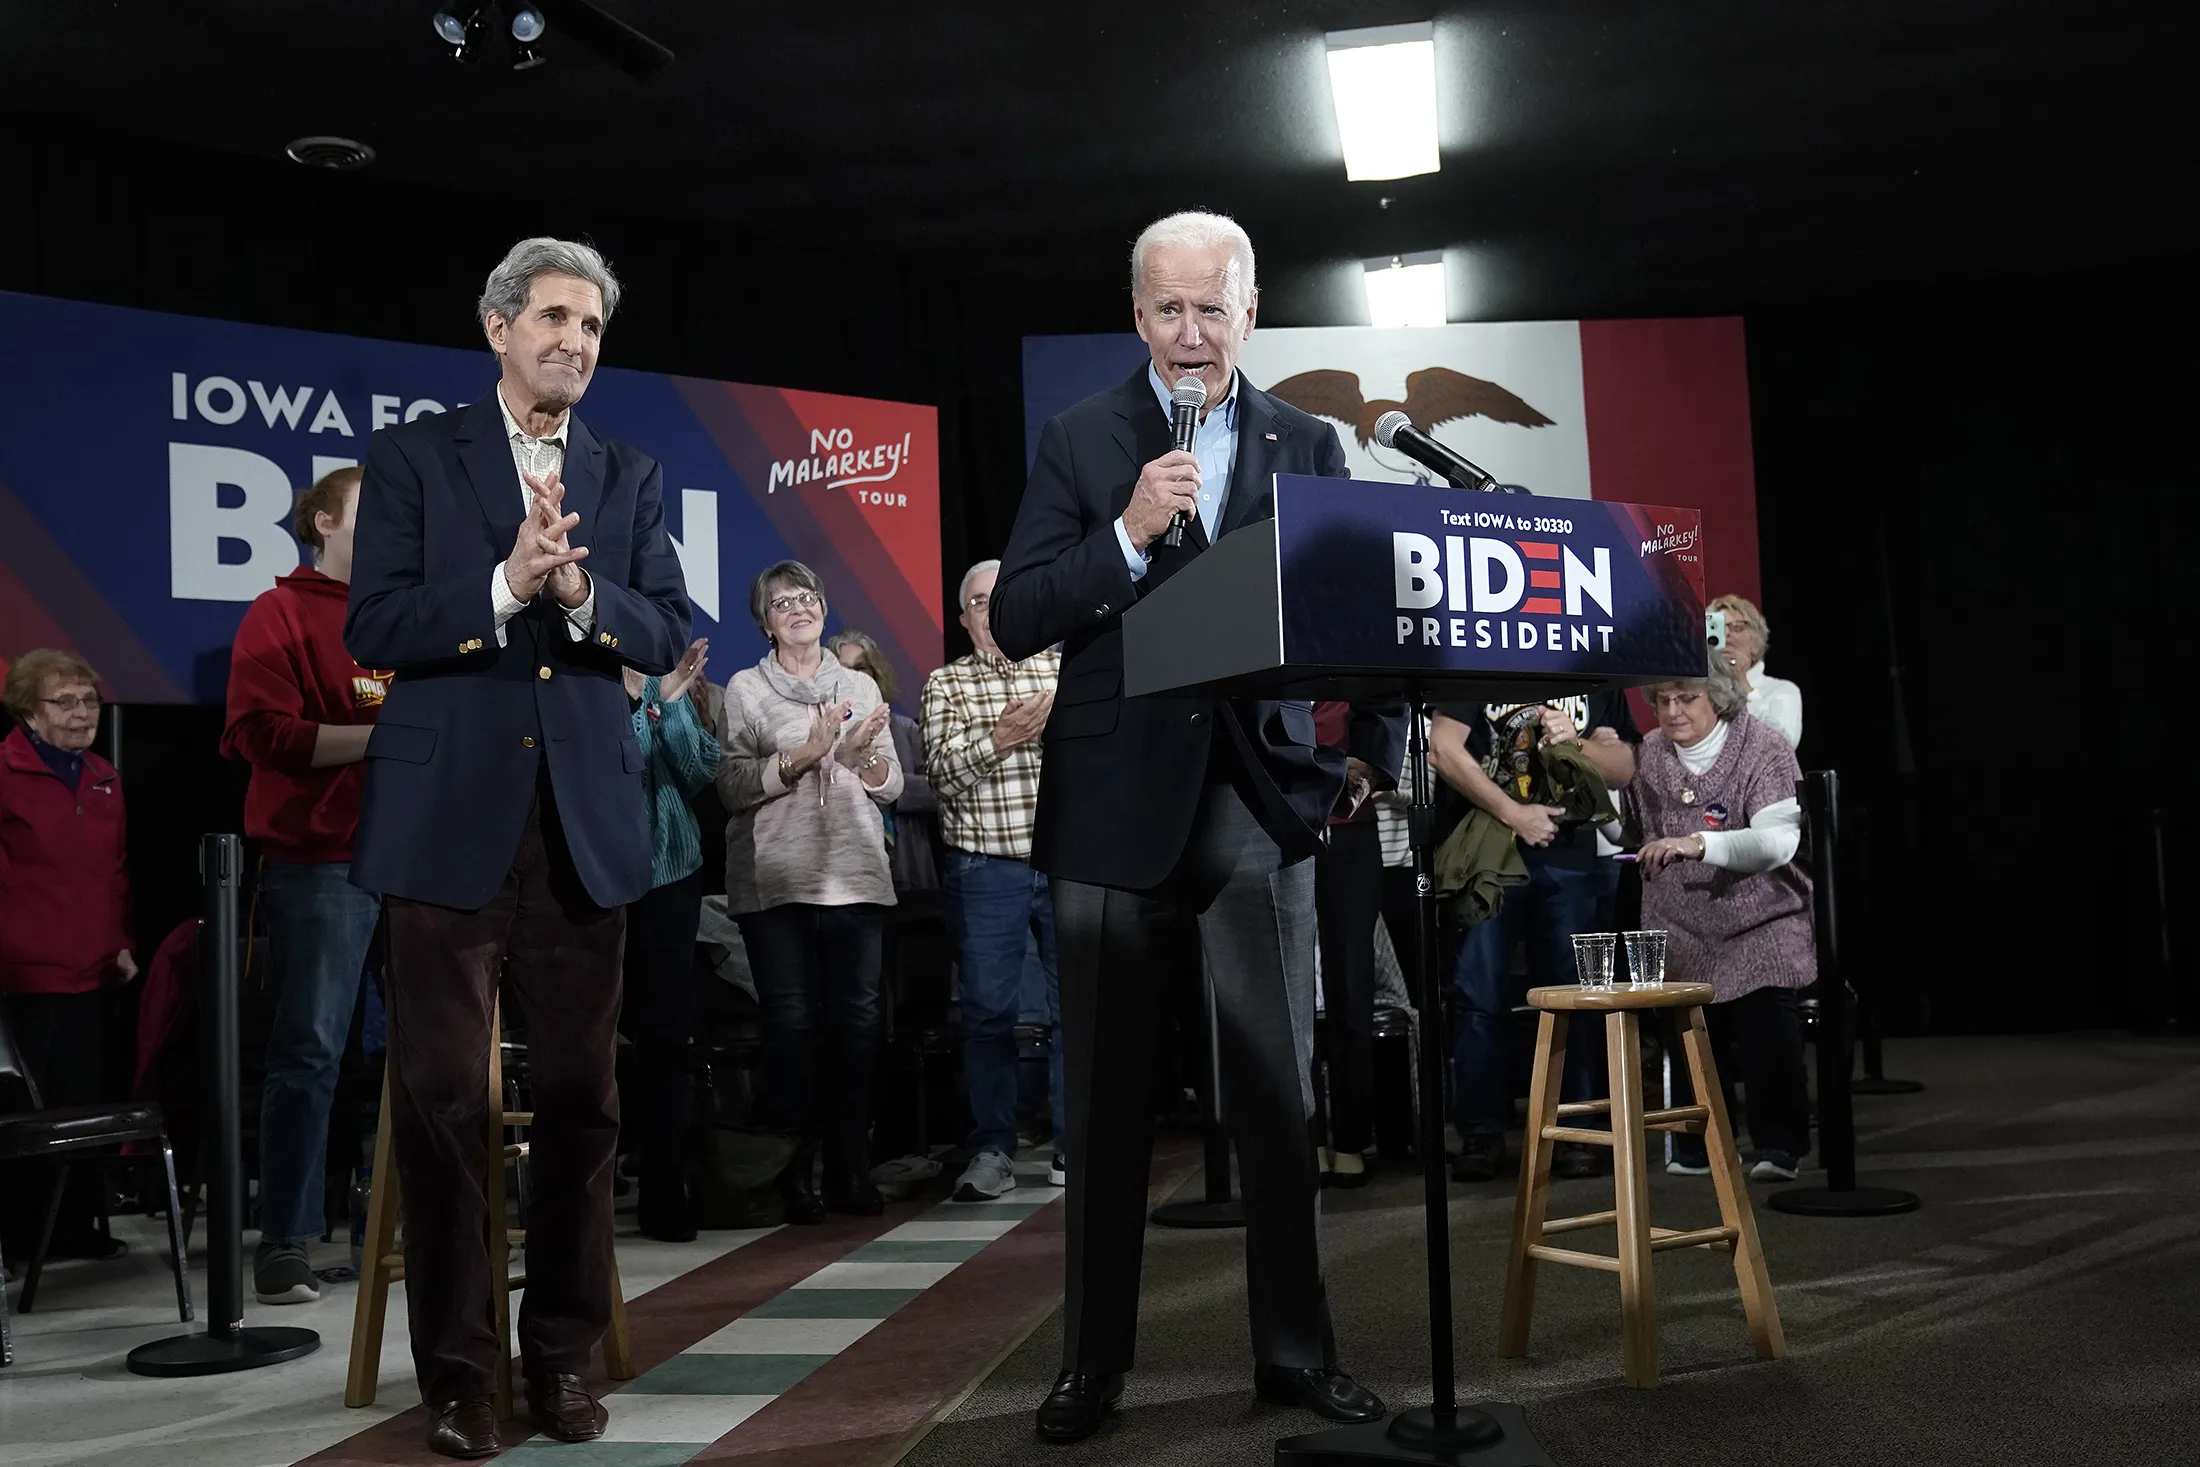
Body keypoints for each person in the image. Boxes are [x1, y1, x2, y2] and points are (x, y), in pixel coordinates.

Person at [991, 209, 1402, 1444]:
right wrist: (1121, 533)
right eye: (1165, 309)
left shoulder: (1307, 443)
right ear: (1136, 316)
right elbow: (1015, 616)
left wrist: (1360, 760)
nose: (1188, 334)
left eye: (1209, 308)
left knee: (1279, 1100)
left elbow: (1362, 612)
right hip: (1111, 808)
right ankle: (1090, 1367)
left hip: (1258, 804)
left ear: (1250, 311)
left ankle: (1296, 1353)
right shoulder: (1081, 440)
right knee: (1104, 1105)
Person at [344, 237, 690, 1459]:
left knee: (588, 1106)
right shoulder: (408, 458)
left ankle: (561, 1360)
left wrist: (587, 599)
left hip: (581, 832)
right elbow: (376, 622)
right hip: (444, 832)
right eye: (551, 318)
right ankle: (457, 1379)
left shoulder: (628, 471)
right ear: (496, 327)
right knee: (443, 1104)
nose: (573, 343)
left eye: (590, 326)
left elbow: (665, 624)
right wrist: (505, 581)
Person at [220, 465, 388, 1306]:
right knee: (312, 1051)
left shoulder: (405, 615)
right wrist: (381, 738)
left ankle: (387, 1230)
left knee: (420, 1057)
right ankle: (284, 1239)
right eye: (372, 509)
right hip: (321, 859)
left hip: (418, 862)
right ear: (323, 520)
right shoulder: (278, 612)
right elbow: (260, 732)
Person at [717, 562, 900, 1225]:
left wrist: (858, 758)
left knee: (856, 1026)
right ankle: (791, 1170)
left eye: (808, 597)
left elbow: (892, 784)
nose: (799, 607)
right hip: (777, 884)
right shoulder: (744, 688)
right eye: (782, 601)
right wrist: (801, 756)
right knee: (791, 1026)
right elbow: (732, 786)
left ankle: (851, 1165)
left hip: (854, 878)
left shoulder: (855, 681)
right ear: (765, 621)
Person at [1612, 653, 1814, 1181]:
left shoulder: (1762, 746)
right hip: (1678, 920)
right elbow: (1623, 833)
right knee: (1688, 1032)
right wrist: (1596, 780)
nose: (1672, 711)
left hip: (1761, 916)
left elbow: (1776, 842)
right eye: (1662, 701)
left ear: (1717, 697)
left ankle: (1779, 1145)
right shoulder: (1648, 754)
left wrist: (1697, 843)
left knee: (1766, 1018)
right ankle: (1702, 1146)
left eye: (1687, 698)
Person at [1428, 692, 1637, 1184]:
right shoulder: (1478, 654)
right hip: (1487, 851)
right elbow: (1443, 747)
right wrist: (1512, 812)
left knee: (1577, 995)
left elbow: (1625, 763)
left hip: (1569, 854)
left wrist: (1579, 743)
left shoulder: (1589, 661)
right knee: (1479, 994)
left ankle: (1578, 1128)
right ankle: (1481, 1133)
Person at [919, 558, 1063, 1202]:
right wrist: (1001, 738)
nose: (991, 609)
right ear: (963, 619)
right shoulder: (945, 684)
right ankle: (992, 1150)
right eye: (978, 602)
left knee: (1077, 1013)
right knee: (987, 1016)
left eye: (1001, 598)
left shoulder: (1064, 670)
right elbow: (943, 776)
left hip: (1067, 863)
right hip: (984, 866)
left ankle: (1076, 1143)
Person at [0, 649, 133, 1262]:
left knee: (84, 1103)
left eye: (90, 701)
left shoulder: (104, 776)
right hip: (25, 971)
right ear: (29, 711)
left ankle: (79, 1228)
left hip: (93, 969)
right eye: (65, 702)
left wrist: (122, 941)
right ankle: (27, 1239)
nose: (82, 715)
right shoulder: (5, 772)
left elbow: (115, 874)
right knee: (31, 1113)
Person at [618, 635, 720, 1242]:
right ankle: (595, 1177)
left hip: (671, 873)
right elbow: (605, 770)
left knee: (664, 1038)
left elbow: (700, 768)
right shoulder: (578, 674)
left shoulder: (662, 673)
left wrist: (665, 702)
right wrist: (638, 708)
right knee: (595, 1036)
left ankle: (663, 1184)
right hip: (596, 876)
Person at [1310, 701, 1385, 1188]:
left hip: (1352, 835)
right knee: (1288, 993)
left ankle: (1352, 1139)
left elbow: (1387, 740)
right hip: (1280, 827)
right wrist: (1332, 766)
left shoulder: (1354, 660)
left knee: (1351, 989)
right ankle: (1304, 1137)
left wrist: (1367, 769)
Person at [826, 628, 940, 895]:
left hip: (909, 868)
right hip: (847, 870)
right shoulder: (821, 733)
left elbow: (938, 788)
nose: (853, 677)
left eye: (861, 668)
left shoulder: (905, 729)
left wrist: (888, 785)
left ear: (875, 675)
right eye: (843, 669)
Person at [1709, 593, 1802, 750]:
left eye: (1737, 627)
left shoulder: (1781, 691)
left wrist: (1741, 684)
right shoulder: (1699, 693)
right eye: (1716, 628)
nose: (1726, 634)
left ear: (1755, 642)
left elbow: (1781, 745)